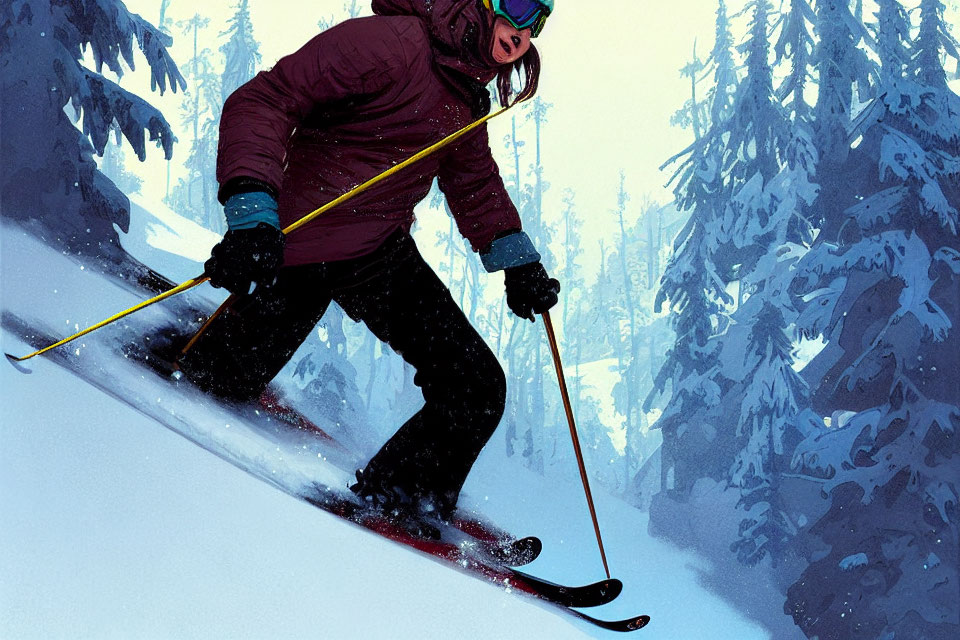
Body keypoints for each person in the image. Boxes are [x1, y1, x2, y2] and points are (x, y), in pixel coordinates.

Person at [177, 0, 559, 524]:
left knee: (476, 387)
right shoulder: (393, 43)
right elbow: (265, 100)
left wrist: (518, 262)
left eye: (537, 19)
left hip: (376, 251)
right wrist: (251, 214)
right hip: (295, 243)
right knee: (220, 381)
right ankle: (194, 349)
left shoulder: (465, 94)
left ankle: (401, 498)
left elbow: (474, 183)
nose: (522, 30)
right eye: (516, 6)